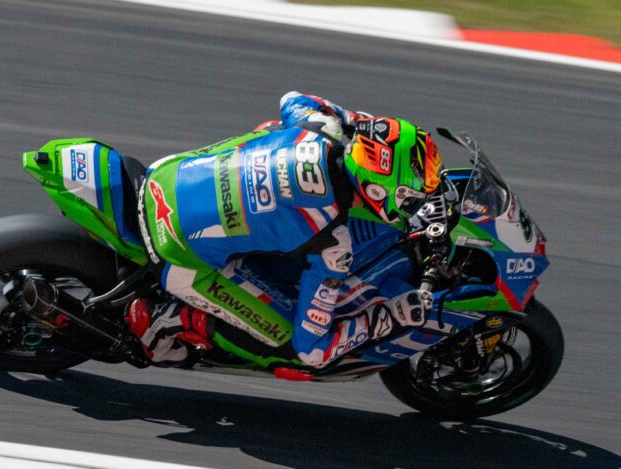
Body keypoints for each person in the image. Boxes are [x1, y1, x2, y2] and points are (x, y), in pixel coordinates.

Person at [127, 91, 442, 371]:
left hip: (165, 177)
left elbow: (292, 99)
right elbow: (313, 350)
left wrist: (353, 121)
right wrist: (388, 318)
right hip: (177, 252)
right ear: (377, 190)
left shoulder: (320, 129)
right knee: (287, 343)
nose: (416, 204)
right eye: (411, 197)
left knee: (267, 133)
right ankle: (168, 320)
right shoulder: (333, 242)